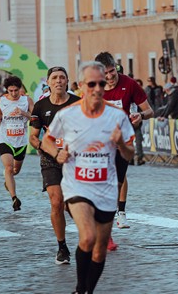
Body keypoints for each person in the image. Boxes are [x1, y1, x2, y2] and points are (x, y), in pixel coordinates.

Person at [42, 61, 135, 294]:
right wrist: (57, 153)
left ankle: (86, 290)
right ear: (81, 86)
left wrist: (121, 143)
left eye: (100, 83)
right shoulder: (67, 115)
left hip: (105, 188)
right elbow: (46, 141)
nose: (96, 88)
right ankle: (80, 288)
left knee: (100, 248)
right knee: (88, 236)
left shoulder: (117, 116)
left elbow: (130, 153)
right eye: (91, 84)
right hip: (77, 186)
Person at [95, 52, 153, 246]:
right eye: (106, 74)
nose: (110, 77)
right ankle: (106, 232)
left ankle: (119, 212)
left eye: (112, 72)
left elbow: (150, 110)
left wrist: (140, 116)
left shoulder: (129, 84)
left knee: (118, 183)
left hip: (123, 141)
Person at [30, 66, 81, 265]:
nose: (58, 81)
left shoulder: (78, 103)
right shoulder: (40, 107)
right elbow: (33, 138)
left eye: (62, 77)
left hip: (75, 158)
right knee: (56, 202)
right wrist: (47, 149)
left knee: (73, 204)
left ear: (67, 81)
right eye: (54, 78)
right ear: (49, 82)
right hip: (50, 159)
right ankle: (62, 247)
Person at [0, 76, 34, 211]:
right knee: (9, 168)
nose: (13, 93)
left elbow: (35, 117)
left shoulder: (26, 100)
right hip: (6, 139)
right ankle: (14, 198)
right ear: (7, 90)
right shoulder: (2, 100)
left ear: (20, 88)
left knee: (15, 170)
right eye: (10, 90)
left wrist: (23, 112)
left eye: (16, 90)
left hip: (21, 141)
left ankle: (8, 181)